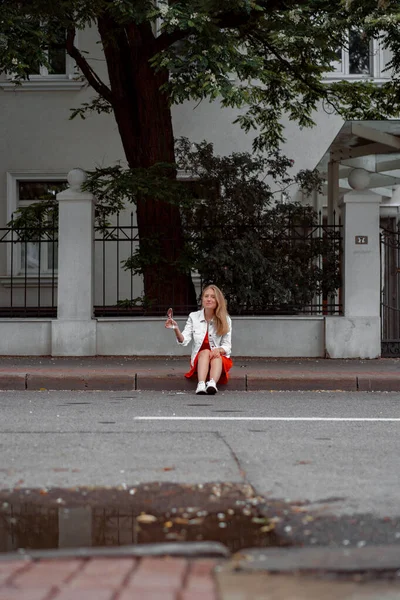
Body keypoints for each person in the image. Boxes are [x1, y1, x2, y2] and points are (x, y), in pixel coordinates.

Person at [165, 284, 232, 395]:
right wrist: (175, 328)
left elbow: (227, 346)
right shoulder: (193, 316)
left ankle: (212, 384)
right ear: (202, 299)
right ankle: (201, 384)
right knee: (205, 352)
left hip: (218, 359)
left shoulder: (225, 319)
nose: (209, 299)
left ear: (218, 300)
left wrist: (219, 350)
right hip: (199, 361)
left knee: (215, 355)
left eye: (213, 297)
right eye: (206, 296)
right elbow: (184, 340)